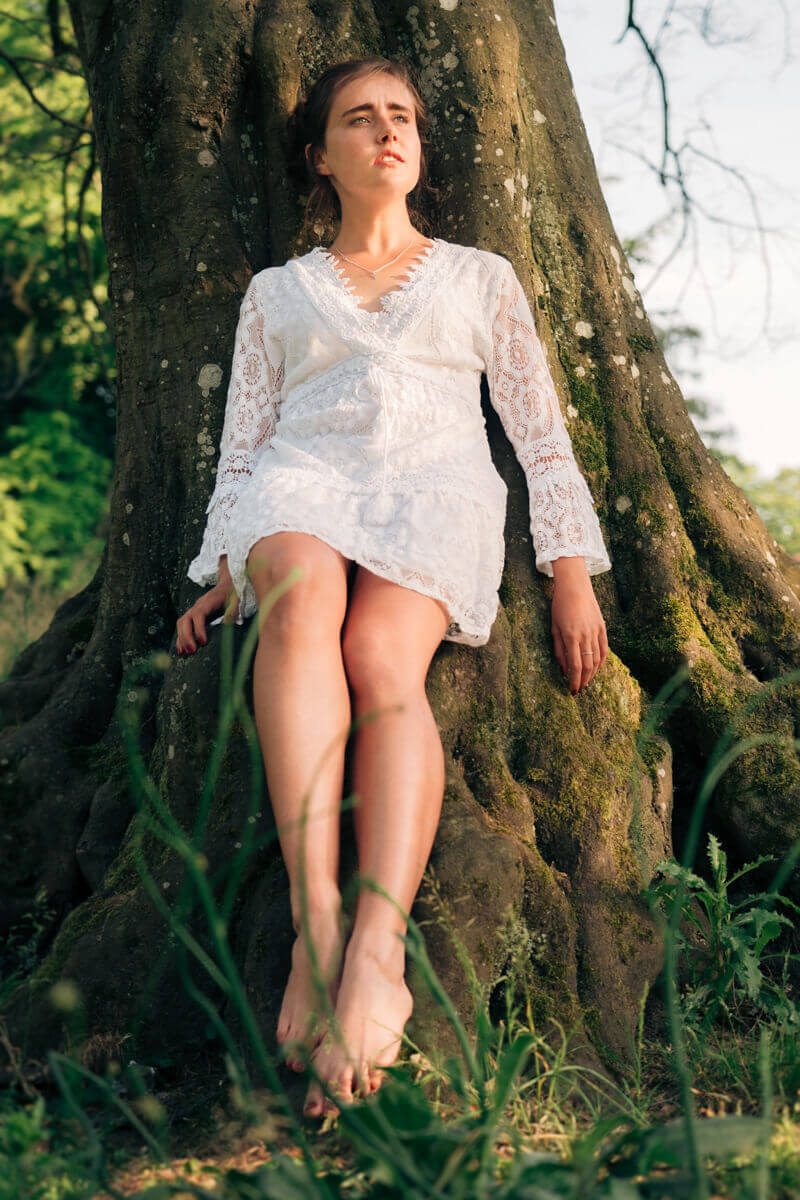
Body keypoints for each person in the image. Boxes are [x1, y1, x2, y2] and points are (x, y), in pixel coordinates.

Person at [177, 55, 611, 1119]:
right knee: (293, 590)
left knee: (380, 658)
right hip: (305, 482)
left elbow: (537, 436)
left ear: (417, 145)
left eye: (401, 117)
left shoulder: (479, 276)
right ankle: (314, 922)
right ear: (319, 157)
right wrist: (219, 566)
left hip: (436, 487)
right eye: (358, 119)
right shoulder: (276, 294)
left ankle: (377, 940)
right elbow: (244, 452)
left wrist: (568, 572)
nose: (385, 132)